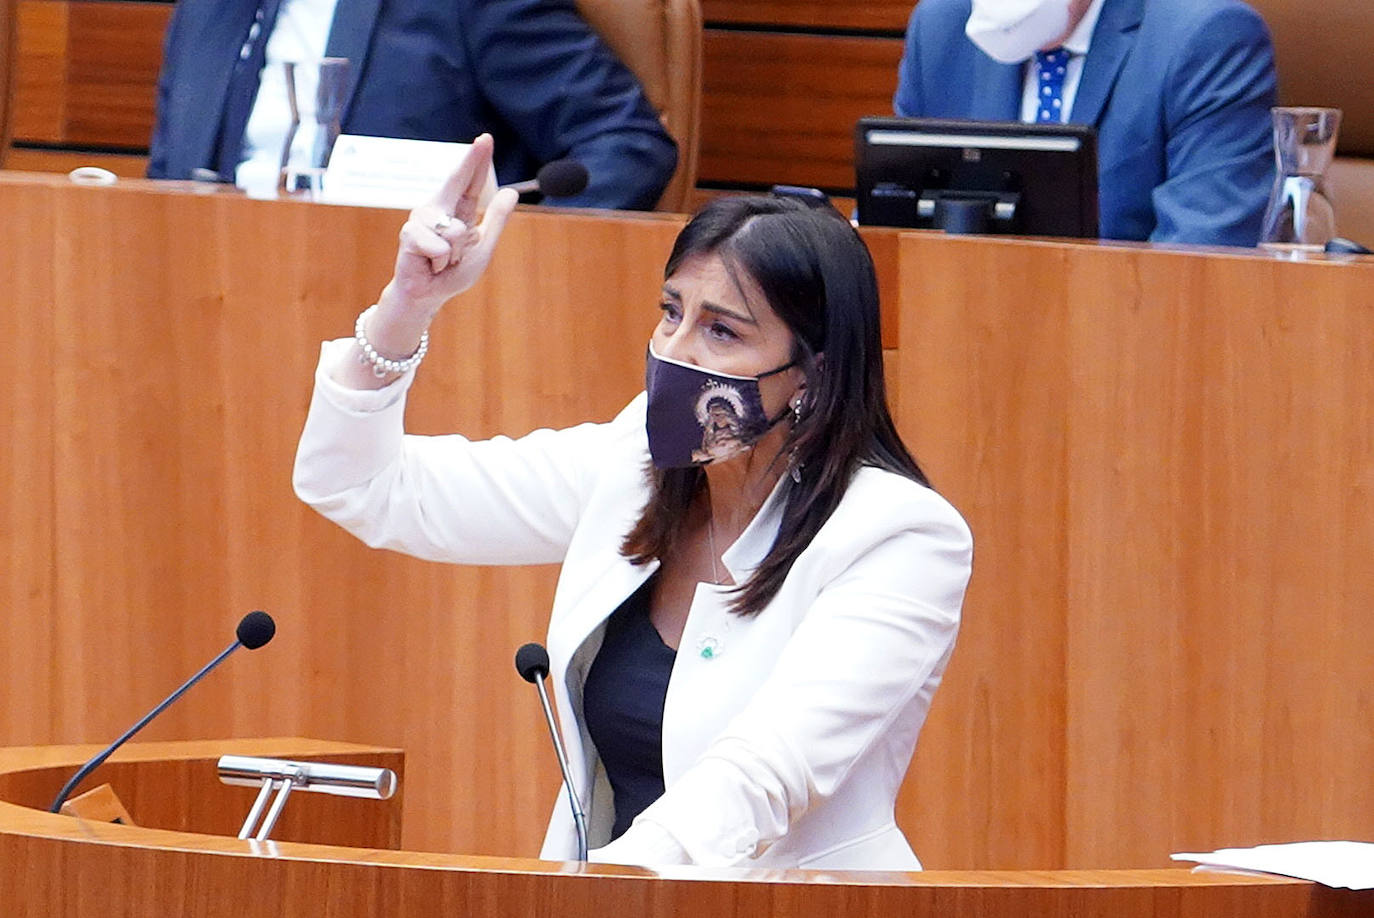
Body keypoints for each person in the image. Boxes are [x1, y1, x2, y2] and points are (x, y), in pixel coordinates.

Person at [292, 135, 973, 868]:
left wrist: (597, 893)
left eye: (721, 330)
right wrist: (408, 306)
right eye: (670, 311)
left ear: (812, 375)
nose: (676, 350)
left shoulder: (899, 536)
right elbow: (367, 489)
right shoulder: (632, 465)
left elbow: (763, 774)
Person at [147, 0, 677, 210]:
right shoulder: (205, 11)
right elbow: (165, 182)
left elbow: (626, 146)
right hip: (208, 300)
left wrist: (497, 260)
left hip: (404, 318)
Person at [894, 0, 1279, 246]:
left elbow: (1199, 258)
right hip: (965, 341)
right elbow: (899, 232)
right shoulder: (942, 30)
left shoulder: (1209, 37)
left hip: (1130, 349)